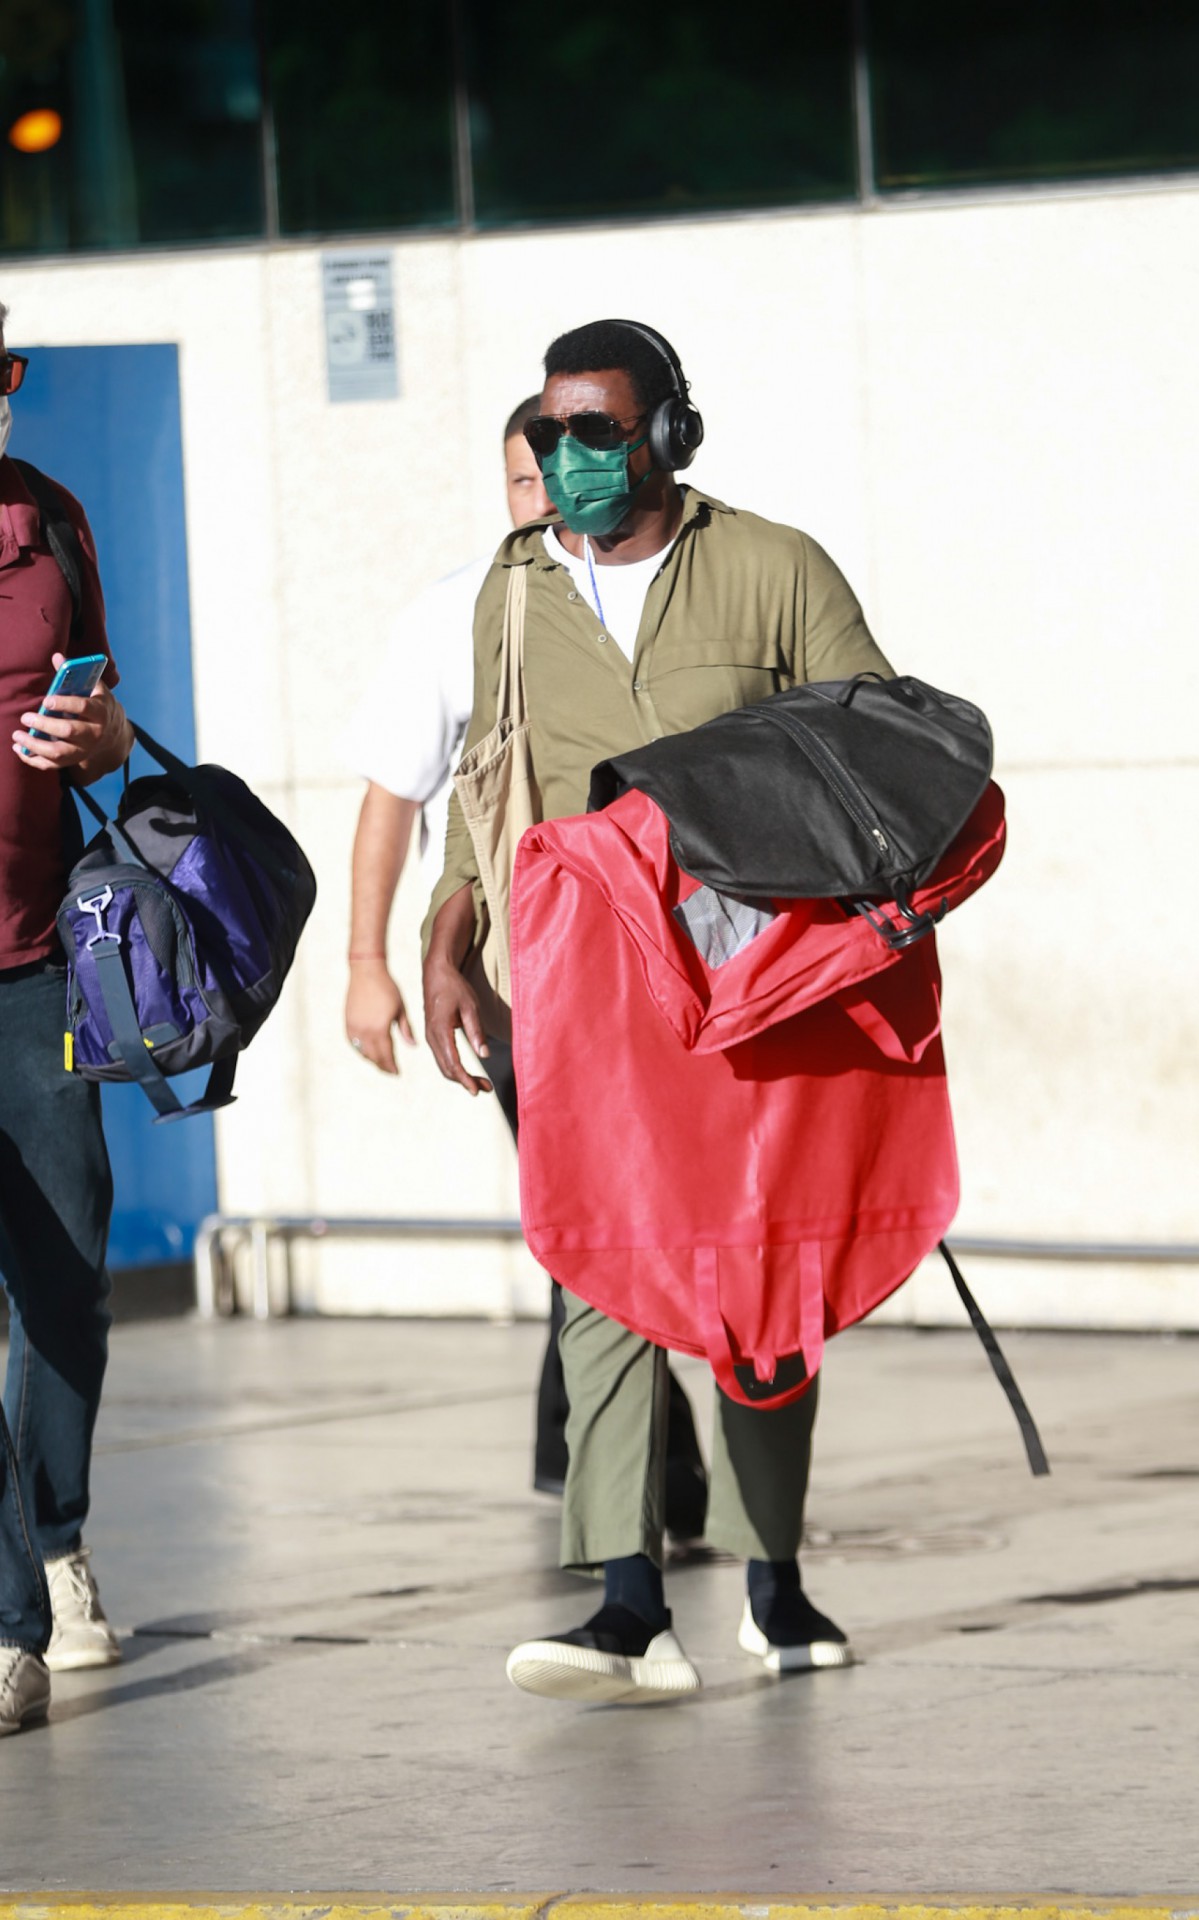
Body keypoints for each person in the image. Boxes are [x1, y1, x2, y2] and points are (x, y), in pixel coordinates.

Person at [423, 317, 893, 1704]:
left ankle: (773, 1583)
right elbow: (481, 782)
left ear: (666, 431)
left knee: (762, 1285)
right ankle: (625, 1604)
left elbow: (866, 740)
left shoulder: (772, 570)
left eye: (599, 430)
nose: (571, 459)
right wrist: (446, 930)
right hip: (575, 1000)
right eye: (553, 433)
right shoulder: (509, 594)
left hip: (749, 991)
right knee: (598, 1279)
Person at [344, 395, 709, 1527]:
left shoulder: (667, 589)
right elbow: (395, 798)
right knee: (598, 1216)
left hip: (689, 977)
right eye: (523, 476)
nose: (548, 494)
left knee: (643, 1219)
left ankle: (601, 1449)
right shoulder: (460, 613)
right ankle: (652, 1476)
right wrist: (371, 961)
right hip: (531, 993)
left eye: (567, 467)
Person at [0, 304, 130, 1732]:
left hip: (35, 965)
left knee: (68, 1286)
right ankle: (8, 1622)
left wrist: (91, 732)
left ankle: (53, 1528)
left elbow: (107, 702)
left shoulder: (55, 522)